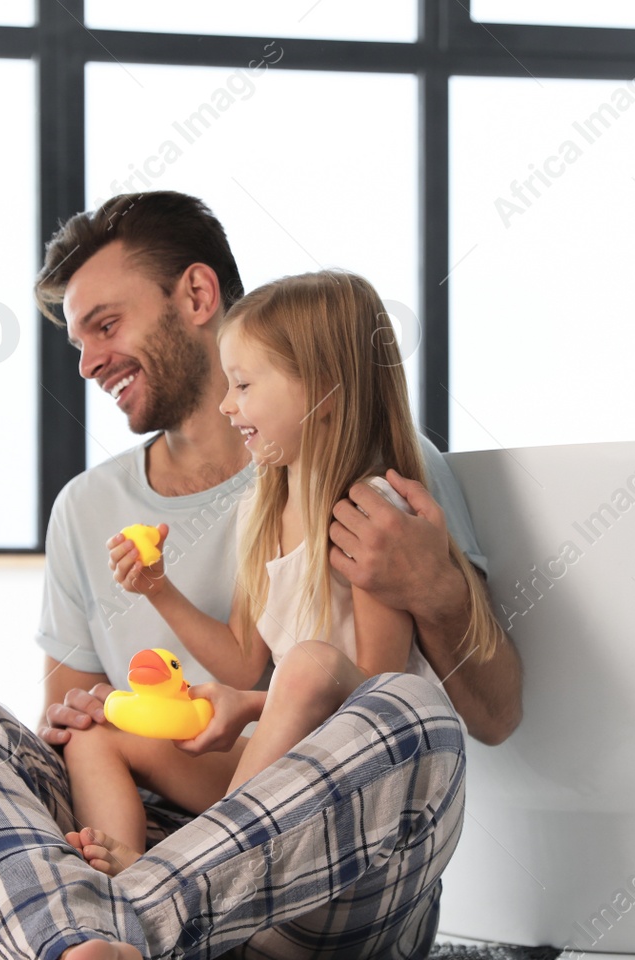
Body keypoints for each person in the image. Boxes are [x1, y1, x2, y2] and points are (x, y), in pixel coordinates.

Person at [0, 192, 522, 960]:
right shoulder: (88, 508)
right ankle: (113, 949)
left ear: (196, 295)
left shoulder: (387, 478)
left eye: (106, 324)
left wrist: (434, 587)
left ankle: (39, 951)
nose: (88, 363)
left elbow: (493, 714)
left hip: (319, 876)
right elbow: (70, 735)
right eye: (78, 342)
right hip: (152, 830)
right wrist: (92, 713)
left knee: (412, 714)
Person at [62, 270, 504, 874]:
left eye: (242, 384)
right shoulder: (264, 504)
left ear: (320, 389)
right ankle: (120, 886)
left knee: (308, 664)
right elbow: (244, 658)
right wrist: (157, 588)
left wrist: (248, 706)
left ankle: (178, 878)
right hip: (279, 774)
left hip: (360, 787)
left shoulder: (370, 515)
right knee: (96, 730)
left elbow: (377, 700)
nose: (226, 404)